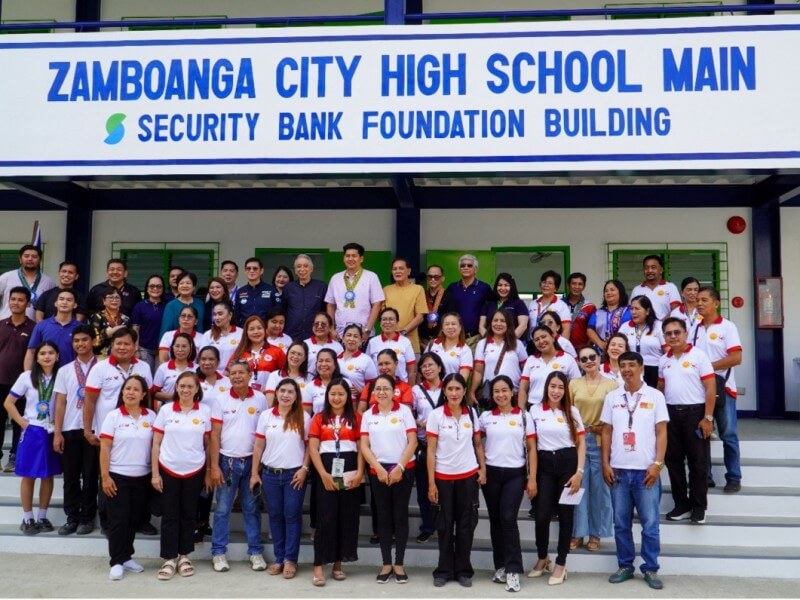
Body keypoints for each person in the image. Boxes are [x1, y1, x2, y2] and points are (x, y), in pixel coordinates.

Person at [601, 351, 668, 591]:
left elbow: (662, 431)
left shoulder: (655, 396)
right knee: (620, 523)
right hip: (619, 470)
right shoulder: (612, 397)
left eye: (631, 365)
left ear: (641, 368)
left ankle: (650, 568)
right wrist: (605, 463)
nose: (627, 369)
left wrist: (658, 464)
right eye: (623, 365)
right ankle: (625, 565)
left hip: (645, 472)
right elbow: (606, 431)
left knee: (650, 524)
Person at [83, 328, 154, 536]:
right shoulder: (100, 368)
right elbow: (89, 401)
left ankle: (141, 520)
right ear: (111, 345)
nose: (122, 347)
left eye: (127, 344)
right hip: (107, 434)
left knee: (142, 476)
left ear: (134, 346)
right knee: (106, 477)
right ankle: (107, 521)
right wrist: (87, 429)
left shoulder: (143, 367)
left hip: (138, 430)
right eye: (118, 343)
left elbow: (148, 399)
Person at [207, 360, 268, 573]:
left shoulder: (260, 399)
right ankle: (218, 552)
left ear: (250, 375)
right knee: (223, 509)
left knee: (251, 508)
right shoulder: (220, 399)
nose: (237, 376)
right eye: (233, 373)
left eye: (241, 372)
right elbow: (214, 435)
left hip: (252, 461)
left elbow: (263, 434)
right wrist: (214, 466)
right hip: (227, 461)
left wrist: (258, 466)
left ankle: (255, 552)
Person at [427, 373, 486, 588]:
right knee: (444, 526)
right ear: (444, 391)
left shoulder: (471, 412)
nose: (454, 393)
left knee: (465, 526)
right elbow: (431, 450)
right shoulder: (436, 416)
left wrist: (483, 469)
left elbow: (478, 444)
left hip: (468, 477)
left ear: (464, 391)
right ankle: (443, 570)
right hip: (443, 479)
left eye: (458, 389)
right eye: (450, 389)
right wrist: (432, 483)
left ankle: (463, 570)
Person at [526, 371, 586, 586]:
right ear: (546, 387)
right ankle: (543, 557)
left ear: (565, 390)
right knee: (541, 515)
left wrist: (579, 472)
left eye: (560, 387)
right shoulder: (534, 411)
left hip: (568, 463)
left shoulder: (572, 411)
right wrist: (531, 476)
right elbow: (531, 446)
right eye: (553, 386)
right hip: (544, 465)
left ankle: (561, 563)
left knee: (566, 515)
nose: (556, 391)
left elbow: (581, 445)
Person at [479, 375, 536, 593]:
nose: (501, 395)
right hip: (491, 474)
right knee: (495, 521)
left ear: (512, 392)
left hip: (515, 474)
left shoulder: (523, 416)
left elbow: (531, 448)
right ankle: (500, 566)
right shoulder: (485, 417)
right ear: (491, 394)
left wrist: (531, 478)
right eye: (496, 391)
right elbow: (476, 443)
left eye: (504, 390)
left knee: (508, 519)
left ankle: (513, 570)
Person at [151, 372, 211, 580]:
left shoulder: (204, 411)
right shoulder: (166, 410)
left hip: (195, 470)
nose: (185, 390)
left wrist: (209, 471)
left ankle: (185, 555)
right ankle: (169, 558)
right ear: (176, 388)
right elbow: (156, 443)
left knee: (188, 514)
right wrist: (155, 474)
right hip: (168, 469)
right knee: (170, 515)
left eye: (190, 387)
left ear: (197, 389)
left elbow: (208, 444)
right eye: (181, 386)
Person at [657, 317, 716, 525]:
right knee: (673, 462)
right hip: (671, 414)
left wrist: (707, 418)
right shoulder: (664, 360)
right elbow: (660, 389)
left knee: (698, 463)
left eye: (677, 332)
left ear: (685, 333)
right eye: (668, 333)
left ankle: (699, 507)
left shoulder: (699, 356)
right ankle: (681, 504)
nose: (673, 336)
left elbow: (710, 388)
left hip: (695, 413)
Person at [251, 377, 311, 579]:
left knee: (292, 515)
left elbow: (310, 447)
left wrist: (304, 468)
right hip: (270, 474)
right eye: (282, 391)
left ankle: (290, 560)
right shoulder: (266, 416)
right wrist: (254, 473)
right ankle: (279, 558)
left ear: (296, 397)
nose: (285, 395)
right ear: (276, 393)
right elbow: (258, 446)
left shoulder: (303, 416)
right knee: (275, 516)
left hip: (294, 475)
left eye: (290, 392)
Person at [360, 374, 418, 583]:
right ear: (373, 392)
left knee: (400, 516)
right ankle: (386, 564)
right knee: (383, 517)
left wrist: (399, 467)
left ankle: (399, 564)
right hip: (379, 472)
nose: (382, 392)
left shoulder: (404, 412)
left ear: (394, 391)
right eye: (378, 389)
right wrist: (378, 468)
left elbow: (412, 442)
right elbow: (364, 446)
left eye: (386, 388)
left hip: (403, 469)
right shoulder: (368, 415)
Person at [308, 378, 365, 587]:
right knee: (326, 518)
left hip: (350, 467)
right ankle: (319, 565)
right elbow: (313, 448)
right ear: (327, 396)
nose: (337, 398)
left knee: (346, 517)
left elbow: (361, 447)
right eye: (333, 394)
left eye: (341, 394)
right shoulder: (319, 418)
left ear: (348, 397)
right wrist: (322, 474)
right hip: (326, 467)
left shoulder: (357, 418)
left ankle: (338, 564)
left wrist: (360, 472)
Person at [3, 341, 62, 534]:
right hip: (33, 430)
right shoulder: (27, 377)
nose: (47, 356)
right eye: (42, 353)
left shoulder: (61, 377)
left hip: (52, 431)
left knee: (48, 475)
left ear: (57, 356)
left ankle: (42, 516)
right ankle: (27, 518)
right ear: (36, 357)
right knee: (29, 475)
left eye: (51, 353)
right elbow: (9, 402)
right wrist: (22, 423)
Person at [99, 375, 154, 581]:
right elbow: (104, 448)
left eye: (135, 389)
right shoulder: (113, 416)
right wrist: (105, 477)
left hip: (142, 477)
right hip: (118, 476)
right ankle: (116, 561)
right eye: (127, 389)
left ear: (143, 394)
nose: (130, 392)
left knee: (134, 519)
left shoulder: (152, 417)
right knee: (118, 520)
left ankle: (127, 556)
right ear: (122, 393)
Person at [569, 345, 618, 552]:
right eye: (584, 359)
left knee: (599, 489)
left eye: (592, 357)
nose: (588, 361)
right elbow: (567, 412)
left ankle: (596, 533)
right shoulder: (573, 384)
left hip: (600, 440)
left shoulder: (612, 384)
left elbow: (616, 414)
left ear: (599, 358)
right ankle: (578, 532)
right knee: (578, 488)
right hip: (578, 440)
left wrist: (603, 430)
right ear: (579, 363)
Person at [695, 286, 743, 493]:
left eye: (704, 300)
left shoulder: (727, 327)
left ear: (716, 303)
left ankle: (733, 477)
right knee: (702, 433)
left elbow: (736, 358)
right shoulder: (694, 328)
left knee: (728, 434)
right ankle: (706, 477)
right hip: (699, 390)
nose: (699, 303)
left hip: (723, 388)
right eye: (698, 300)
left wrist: (708, 367)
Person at [52, 325, 99, 536]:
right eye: (77, 340)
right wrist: (58, 432)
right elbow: (60, 403)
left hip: (95, 429)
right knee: (70, 476)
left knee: (90, 475)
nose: (80, 344)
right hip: (71, 427)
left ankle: (87, 517)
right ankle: (72, 517)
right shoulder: (65, 370)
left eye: (84, 340)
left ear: (93, 341)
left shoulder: (103, 367)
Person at [194, 345, 231, 541]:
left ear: (218, 362)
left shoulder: (227, 381)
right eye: (203, 359)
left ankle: (204, 521)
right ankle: (196, 522)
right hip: (197, 436)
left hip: (221, 437)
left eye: (211, 359)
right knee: (200, 481)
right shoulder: (192, 381)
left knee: (211, 481)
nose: (207, 362)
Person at [411, 352, 445, 544]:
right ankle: (428, 526)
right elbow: (407, 415)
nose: (428, 369)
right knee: (424, 488)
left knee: (446, 489)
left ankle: (446, 526)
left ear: (440, 367)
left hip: (446, 446)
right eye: (424, 367)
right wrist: (421, 423)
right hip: (424, 445)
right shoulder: (416, 391)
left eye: (431, 365)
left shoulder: (448, 387)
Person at [0, 287, 35, 472]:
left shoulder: (34, 327)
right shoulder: (1, 324)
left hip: (21, 385)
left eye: (20, 300)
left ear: (28, 303)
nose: (16, 302)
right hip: (0, 381)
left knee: (18, 421)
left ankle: (14, 456)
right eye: (13, 299)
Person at [325, 242, 385, 342]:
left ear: (361, 259)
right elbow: (330, 304)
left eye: (354, 256)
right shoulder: (335, 278)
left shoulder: (371, 277)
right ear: (344, 258)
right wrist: (331, 329)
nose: (350, 259)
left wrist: (367, 330)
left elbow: (377, 304)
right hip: (340, 334)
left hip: (363, 334)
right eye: (347, 256)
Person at [471, 310, 528, 407]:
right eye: (495, 320)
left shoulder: (517, 343)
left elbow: (526, 370)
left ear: (508, 324)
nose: (498, 324)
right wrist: (472, 391)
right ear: (490, 323)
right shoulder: (483, 344)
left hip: (514, 394)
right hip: (492, 394)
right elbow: (478, 371)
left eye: (502, 321)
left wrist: (525, 391)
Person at [519, 324, 581, 410]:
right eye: (537, 339)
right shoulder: (531, 360)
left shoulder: (568, 359)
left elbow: (577, 387)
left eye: (544, 337)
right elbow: (523, 388)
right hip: (533, 407)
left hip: (559, 408)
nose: (541, 341)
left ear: (552, 337)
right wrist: (522, 412)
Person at [617, 295, 665, 387]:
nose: (633, 312)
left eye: (637, 309)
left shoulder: (658, 326)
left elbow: (667, 351)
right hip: (631, 369)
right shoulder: (625, 326)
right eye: (631, 309)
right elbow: (618, 348)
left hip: (654, 370)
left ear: (647, 311)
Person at [26, 288, 81, 368]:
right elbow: (31, 352)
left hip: (71, 375)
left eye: (69, 300)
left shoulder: (80, 327)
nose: (64, 302)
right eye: (61, 299)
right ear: (56, 303)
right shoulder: (41, 326)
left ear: (75, 305)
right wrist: (28, 376)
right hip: (45, 375)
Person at [445, 254, 492, 347]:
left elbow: (492, 310)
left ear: (476, 269)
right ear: (459, 269)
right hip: (454, 337)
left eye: (469, 265)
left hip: (475, 339)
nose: (465, 267)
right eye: (463, 265)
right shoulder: (452, 288)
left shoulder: (484, 288)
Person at [382, 257, 428, 354]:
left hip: (410, 342)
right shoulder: (386, 290)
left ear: (409, 271)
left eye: (401, 268)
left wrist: (403, 331)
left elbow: (420, 316)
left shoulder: (418, 289)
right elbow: (382, 315)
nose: (397, 271)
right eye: (394, 269)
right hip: (388, 342)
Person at [228, 315, 285, 391]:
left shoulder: (277, 351)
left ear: (264, 330)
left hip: (269, 396)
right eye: (251, 329)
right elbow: (227, 373)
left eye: (259, 328)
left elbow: (286, 374)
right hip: (245, 396)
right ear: (246, 333)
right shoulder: (239, 352)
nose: (256, 332)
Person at [0, 244, 55, 320]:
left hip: (35, 327)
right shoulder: (6, 277)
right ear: (20, 259)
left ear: (40, 260)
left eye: (34, 257)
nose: (30, 259)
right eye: (26, 256)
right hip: (7, 325)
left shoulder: (49, 282)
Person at [283, 254, 328, 342]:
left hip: (315, 335)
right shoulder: (288, 288)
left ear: (311, 269)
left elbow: (326, 311)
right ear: (295, 270)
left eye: (306, 266)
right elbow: (284, 310)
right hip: (292, 335)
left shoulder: (321, 286)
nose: (302, 269)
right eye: (299, 266)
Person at [366, 307, 416, 383]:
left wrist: (410, 391)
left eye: (391, 319)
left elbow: (411, 372)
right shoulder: (372, 342)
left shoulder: (405, 342)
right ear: (380, 323)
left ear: (397, 322)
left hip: (401, 388)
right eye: (384, 319)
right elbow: (368, 368)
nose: (387, 322)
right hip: (378, 387)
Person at [130, 275, 167, 373]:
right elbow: (135, 329)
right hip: (144, 349)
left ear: (163, 289)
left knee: (160, 378)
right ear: (147, 288)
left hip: (163, 349)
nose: (155, 289)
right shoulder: (140, 306)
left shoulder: (168, 305)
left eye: (159, 286)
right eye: (152, 286)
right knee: (145, 378)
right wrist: (136, 350)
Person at [151, 333, 197, 409]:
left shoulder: (197, 369)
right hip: (168, 409)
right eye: (177, 346)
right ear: (172, 348)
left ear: (191, 348)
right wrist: (175, 396)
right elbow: (154, 393)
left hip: (192, 409)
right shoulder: (163, 368)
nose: (180, 350)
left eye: (184, 346)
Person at [478, 273, 529, 340]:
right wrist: (490, 340)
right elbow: (481, 326)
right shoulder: (489, 304)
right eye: (500, 285)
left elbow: (523, 326)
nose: (503, 288)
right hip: (491, 345)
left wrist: (508, 341)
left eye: (506, 285)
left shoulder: (519, 303)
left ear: (512, 287)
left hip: (512, 344)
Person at [630, 255, 681, 320]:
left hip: (664, 327)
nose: (649, 270)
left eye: (653, 267)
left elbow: (676, 310)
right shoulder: (637, 290)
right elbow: (632, 310)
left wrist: (660, 325)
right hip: (643, 328)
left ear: (661, 270)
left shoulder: (671, 287)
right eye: (646, 268)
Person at [419, 264, 458, 350]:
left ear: (442, 278)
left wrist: (440, 339)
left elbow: (452, 320)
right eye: (430, 277)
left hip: (443, 341)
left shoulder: (449, 296)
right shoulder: (421, 295)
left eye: (436, 277)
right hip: (423, 341)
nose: (433, 279)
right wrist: (421, 344)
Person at [425, 312, 474, 379]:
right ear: (442, 328)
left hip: (451, 388)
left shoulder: (465, 350)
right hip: (430, 388)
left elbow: (463, 378)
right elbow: (424, 367)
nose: (450, 327)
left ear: (460, 327)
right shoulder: (433, 344)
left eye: (453, 324)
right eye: (447, 324)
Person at [587, 279, 631, 352]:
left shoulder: (628, 311)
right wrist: (600, 343)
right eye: (606, 291)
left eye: (612, 290)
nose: (609, 293)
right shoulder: (598, 312)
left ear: (620, 292)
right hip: (602, 352)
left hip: (622, 352)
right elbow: (590, 330)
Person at [264, 341, 312, 407]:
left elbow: (309, 405)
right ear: (287, 354)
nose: (295, 356)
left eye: (299, 354)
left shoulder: (310, 378)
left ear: (304, 358)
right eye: (292, 353)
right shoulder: (275, 375)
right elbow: (270, 403)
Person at [234, 257, 278, 327]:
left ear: (261, 271)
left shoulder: (271, 290)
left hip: (265, 332)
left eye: (255, 268)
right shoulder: (240, 292)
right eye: (248, 268)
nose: (251, 271)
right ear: (245, 271)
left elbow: (277, 314)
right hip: (245, 332)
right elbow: (236, 316)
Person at [528, 270, 572, 340]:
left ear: (556, 288)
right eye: (544, 282)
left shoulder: (561, 306)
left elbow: (566, 330)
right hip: (533, 343)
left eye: (550, 283)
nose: (546, 285)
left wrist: (561, 347)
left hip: (552, 344)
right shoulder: (532, 304)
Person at [337, 324, 378, 400]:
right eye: (349, 335)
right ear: (343, 339)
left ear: (361, 341)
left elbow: (373, 385)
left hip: (357, 403)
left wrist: (361, 391)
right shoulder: (336, 359)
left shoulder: (366, 360)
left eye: (355, 336)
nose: (351, 339)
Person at [88, 288, 130, 358]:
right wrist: (111, 332)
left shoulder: (126, 319)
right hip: (101, 357)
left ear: (121, 301)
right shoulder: (97, 317)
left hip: (121, 356)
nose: (114, 300)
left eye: (117, 297)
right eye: (110, 297)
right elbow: (94, 342)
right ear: (104, 301)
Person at [161, 271, 205, 336]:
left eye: (188, 283)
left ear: (194, 287)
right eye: (181, 283)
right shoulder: (171, 305)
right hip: (176, 343)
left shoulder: (200, 304)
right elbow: (166, 329)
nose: (184, 286)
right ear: (178, 286)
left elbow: (201, 326)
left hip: (197, 343)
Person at [203, 301, 242, 372]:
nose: (217, 317)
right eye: (214, 314)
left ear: (230, 315)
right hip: (213, 375)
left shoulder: (241, 333)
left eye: (220, 314)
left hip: (235, 374)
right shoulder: (208, 335)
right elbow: (203, 358)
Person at [305, 348, 342, 416]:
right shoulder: (310, 386)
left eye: (328, 361)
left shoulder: (344, 383)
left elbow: (352, 410)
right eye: (320, 361)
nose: (323, 364)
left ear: (335, 364)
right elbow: (306, 414)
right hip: (318, 425)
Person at [564, 272, 595, 348]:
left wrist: (587, 347)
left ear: (584, 287)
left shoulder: (590, 307)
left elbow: (593, 330)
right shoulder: (560, 304)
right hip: (562, 348)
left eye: (580, 284)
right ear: (568, 286)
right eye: (574, 283)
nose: (577, 287)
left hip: (581, 348)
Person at [669, 277, 702, 342]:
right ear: (682, 293)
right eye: (689, 290)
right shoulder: (675, 313)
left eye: (696, 290)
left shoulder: (704, 311)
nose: (693, 292)